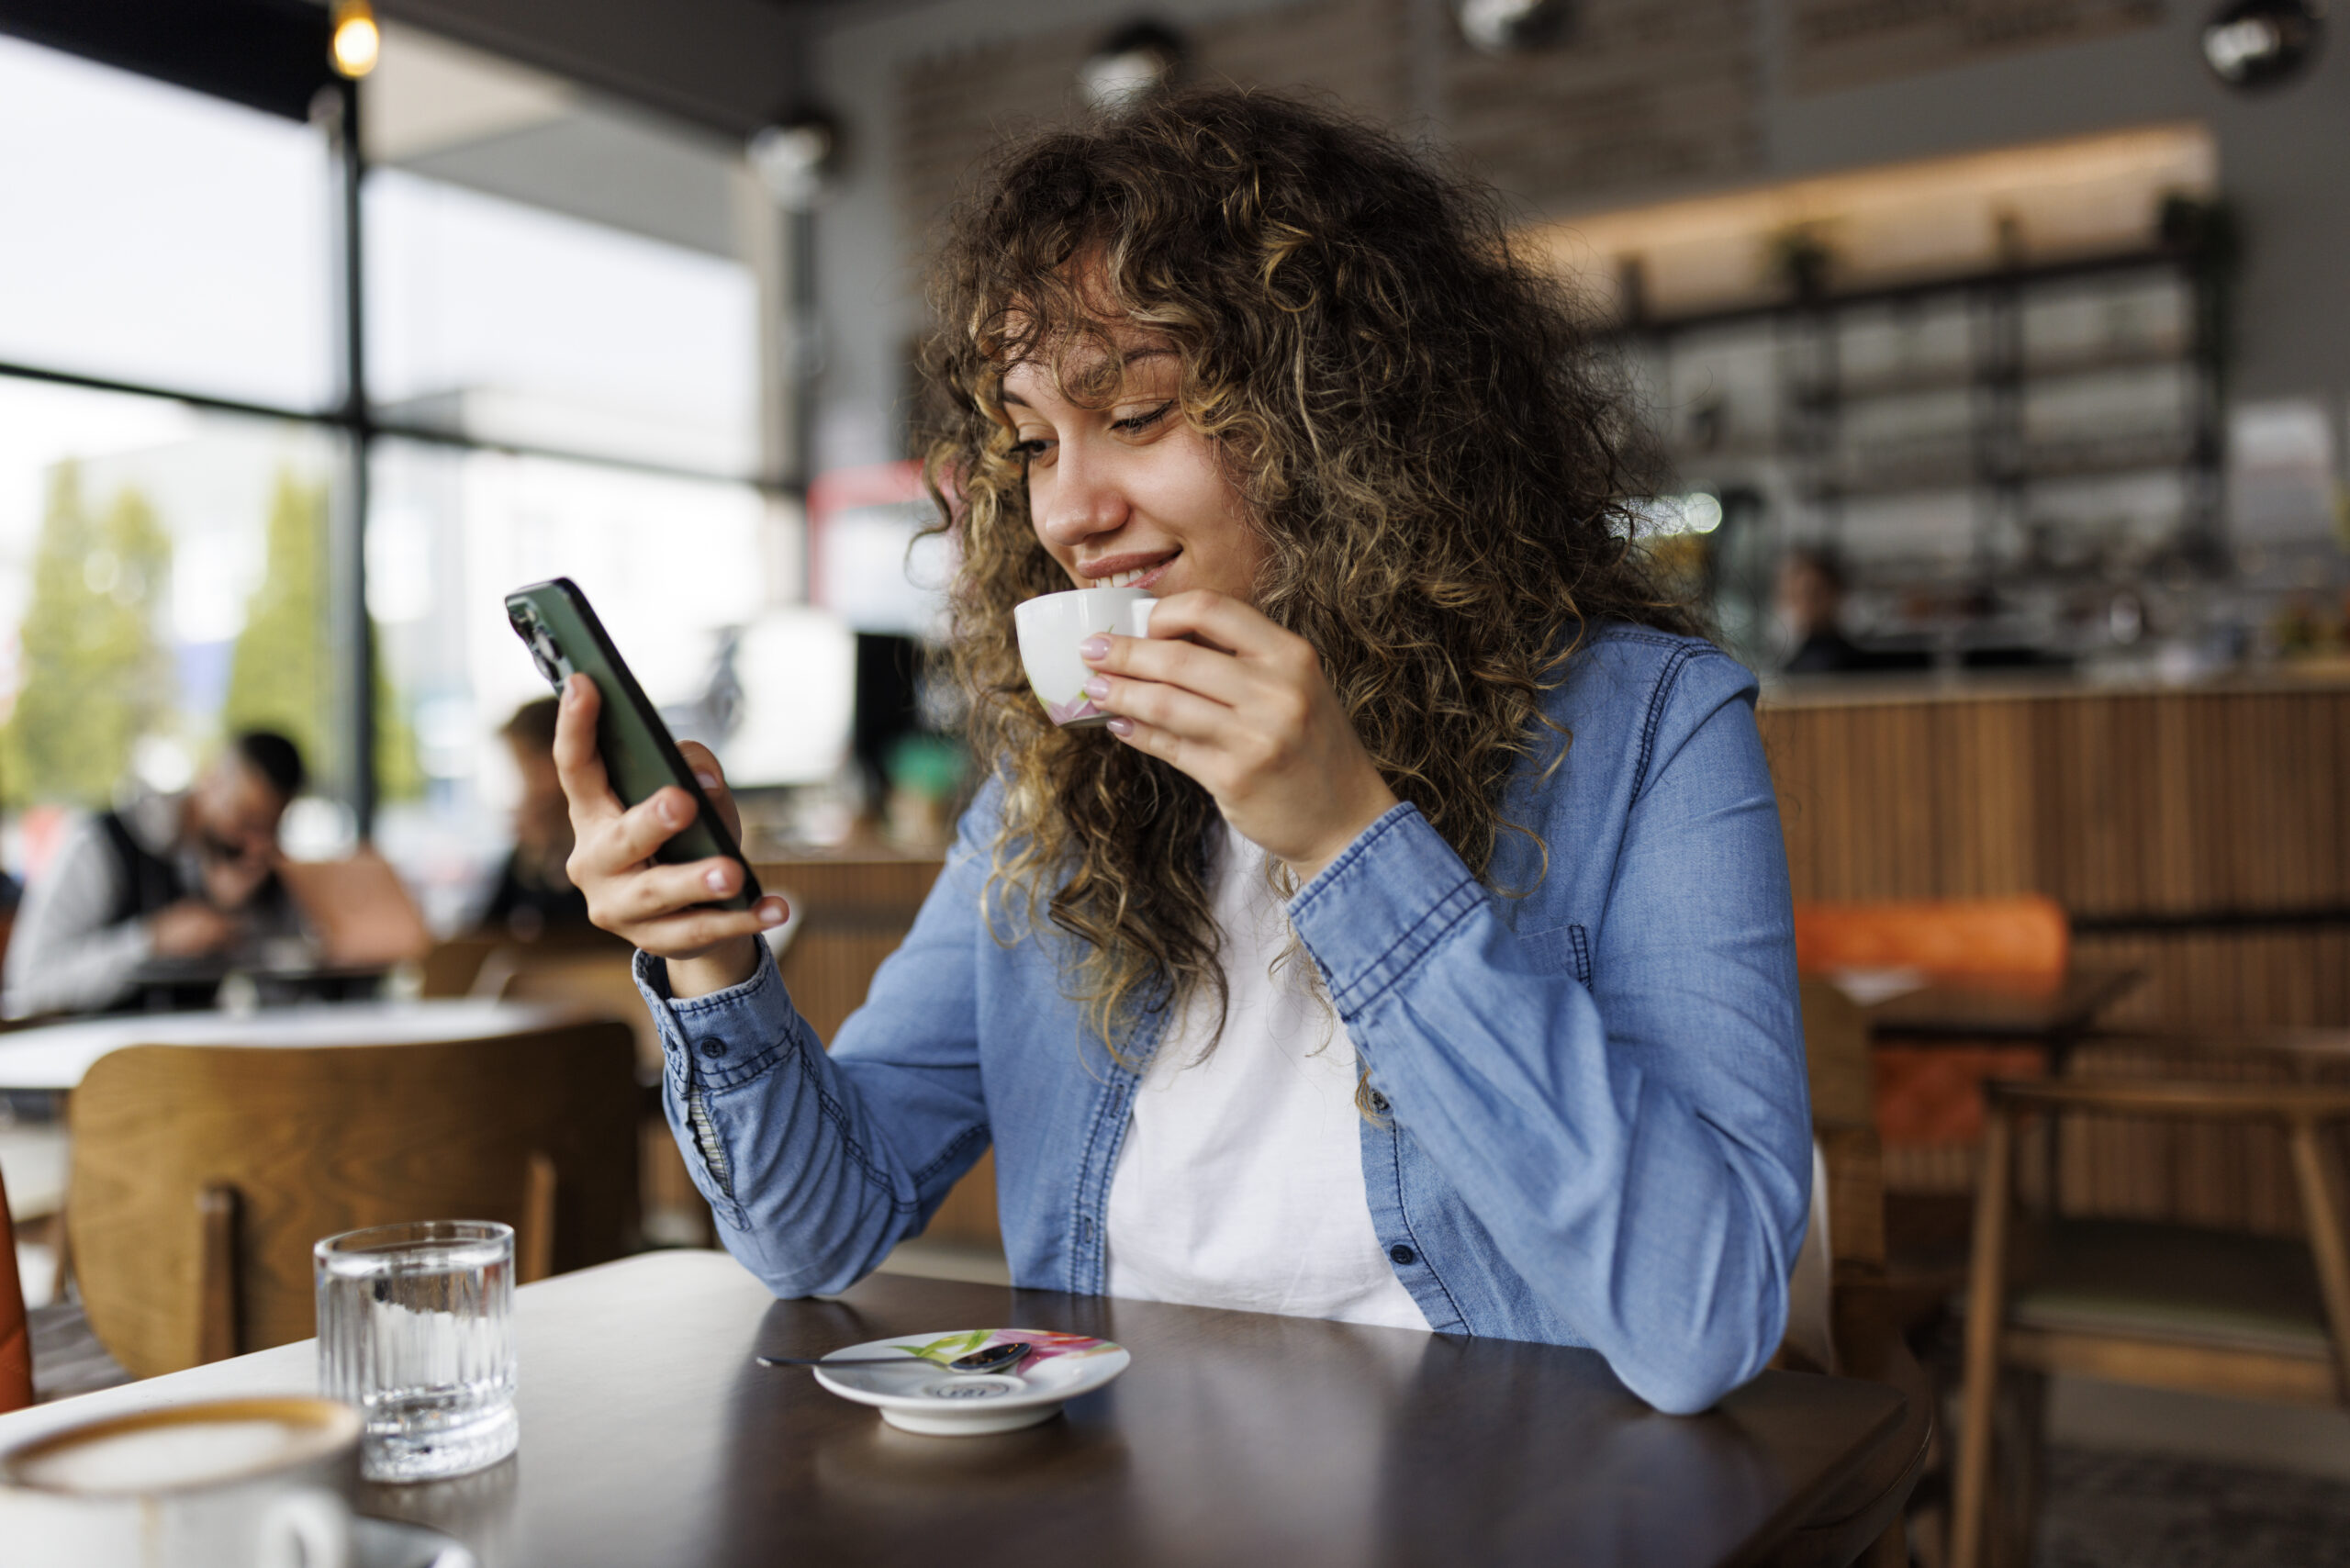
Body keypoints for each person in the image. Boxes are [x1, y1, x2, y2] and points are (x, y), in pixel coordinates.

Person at [556, 92, 1810, 1415]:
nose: (1071, 512)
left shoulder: (1646, 731)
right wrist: (708, 952)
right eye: (1034, 445)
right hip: (1113, 1493)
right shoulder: (1056, 798)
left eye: (1143, 416)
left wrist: (1347, 843)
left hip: (1493, 1501)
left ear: (1350, 418)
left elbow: (1704, 1323)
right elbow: (816, 1230)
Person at [4, 732, 308, 1017]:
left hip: (195, 1063)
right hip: (105, 1062)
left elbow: (287, 994)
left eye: (270, 829)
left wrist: (238, 916)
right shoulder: (104, 845)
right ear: (212, 781)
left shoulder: (252, 871)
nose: (256, 846)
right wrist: (150, 941)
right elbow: (28, 987)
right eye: (246, 820)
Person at [475, 698, 595, 943]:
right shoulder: (529, 854)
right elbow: (484, 932)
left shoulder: (601, 845)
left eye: (527, 769)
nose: (525, 787)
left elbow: (582, 934)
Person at [1776, 546, 1872, 674]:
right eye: (1794, 595)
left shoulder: (1853, 662)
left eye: (1814, 593)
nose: (1805, 603)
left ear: (1836, 592)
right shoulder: (1791, 664)